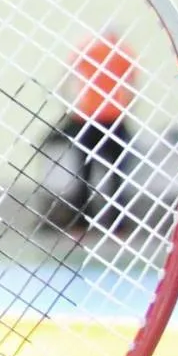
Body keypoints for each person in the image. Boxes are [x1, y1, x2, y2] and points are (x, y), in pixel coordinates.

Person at [57, 29, 139, 234]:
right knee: (117, 174)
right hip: (112, 118)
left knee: (84, 172)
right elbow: (133, 86)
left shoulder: (87, 49)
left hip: (88, 117)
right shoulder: (124, 52)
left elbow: (66, 79)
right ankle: (117, 224)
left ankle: (81, 221)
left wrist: (70, 107)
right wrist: (126, 109)